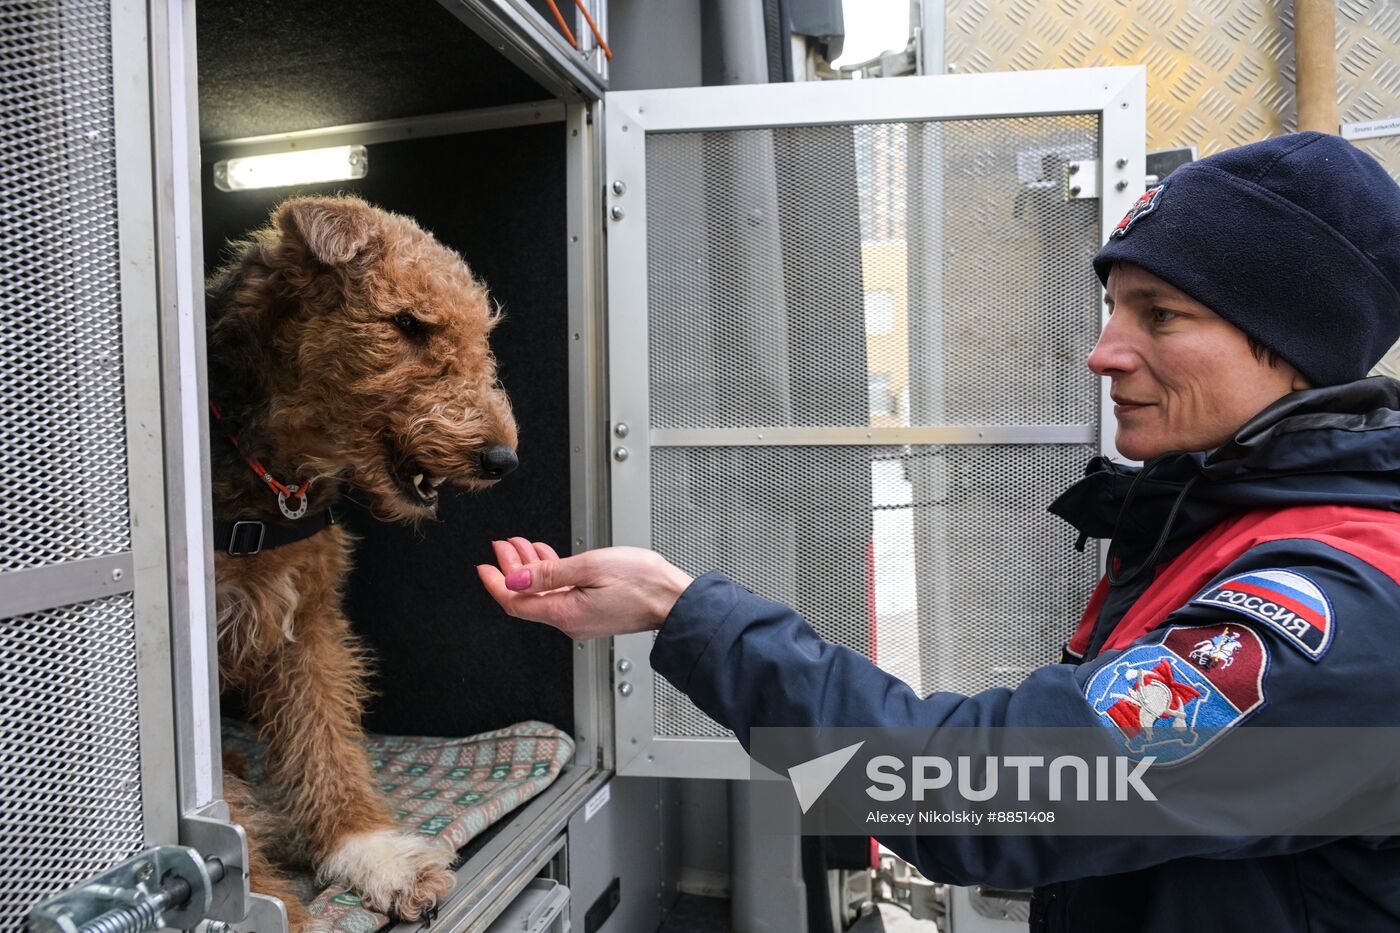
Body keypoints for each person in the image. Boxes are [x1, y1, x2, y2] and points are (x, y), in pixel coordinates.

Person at [478, 132, 1400, 931]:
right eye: (1113, 306)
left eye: (1160, 313)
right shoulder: (1224, 518)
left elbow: (980, 798)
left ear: (1292, 347)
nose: (1103, 350)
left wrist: (680, 612)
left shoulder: (1335, 613)